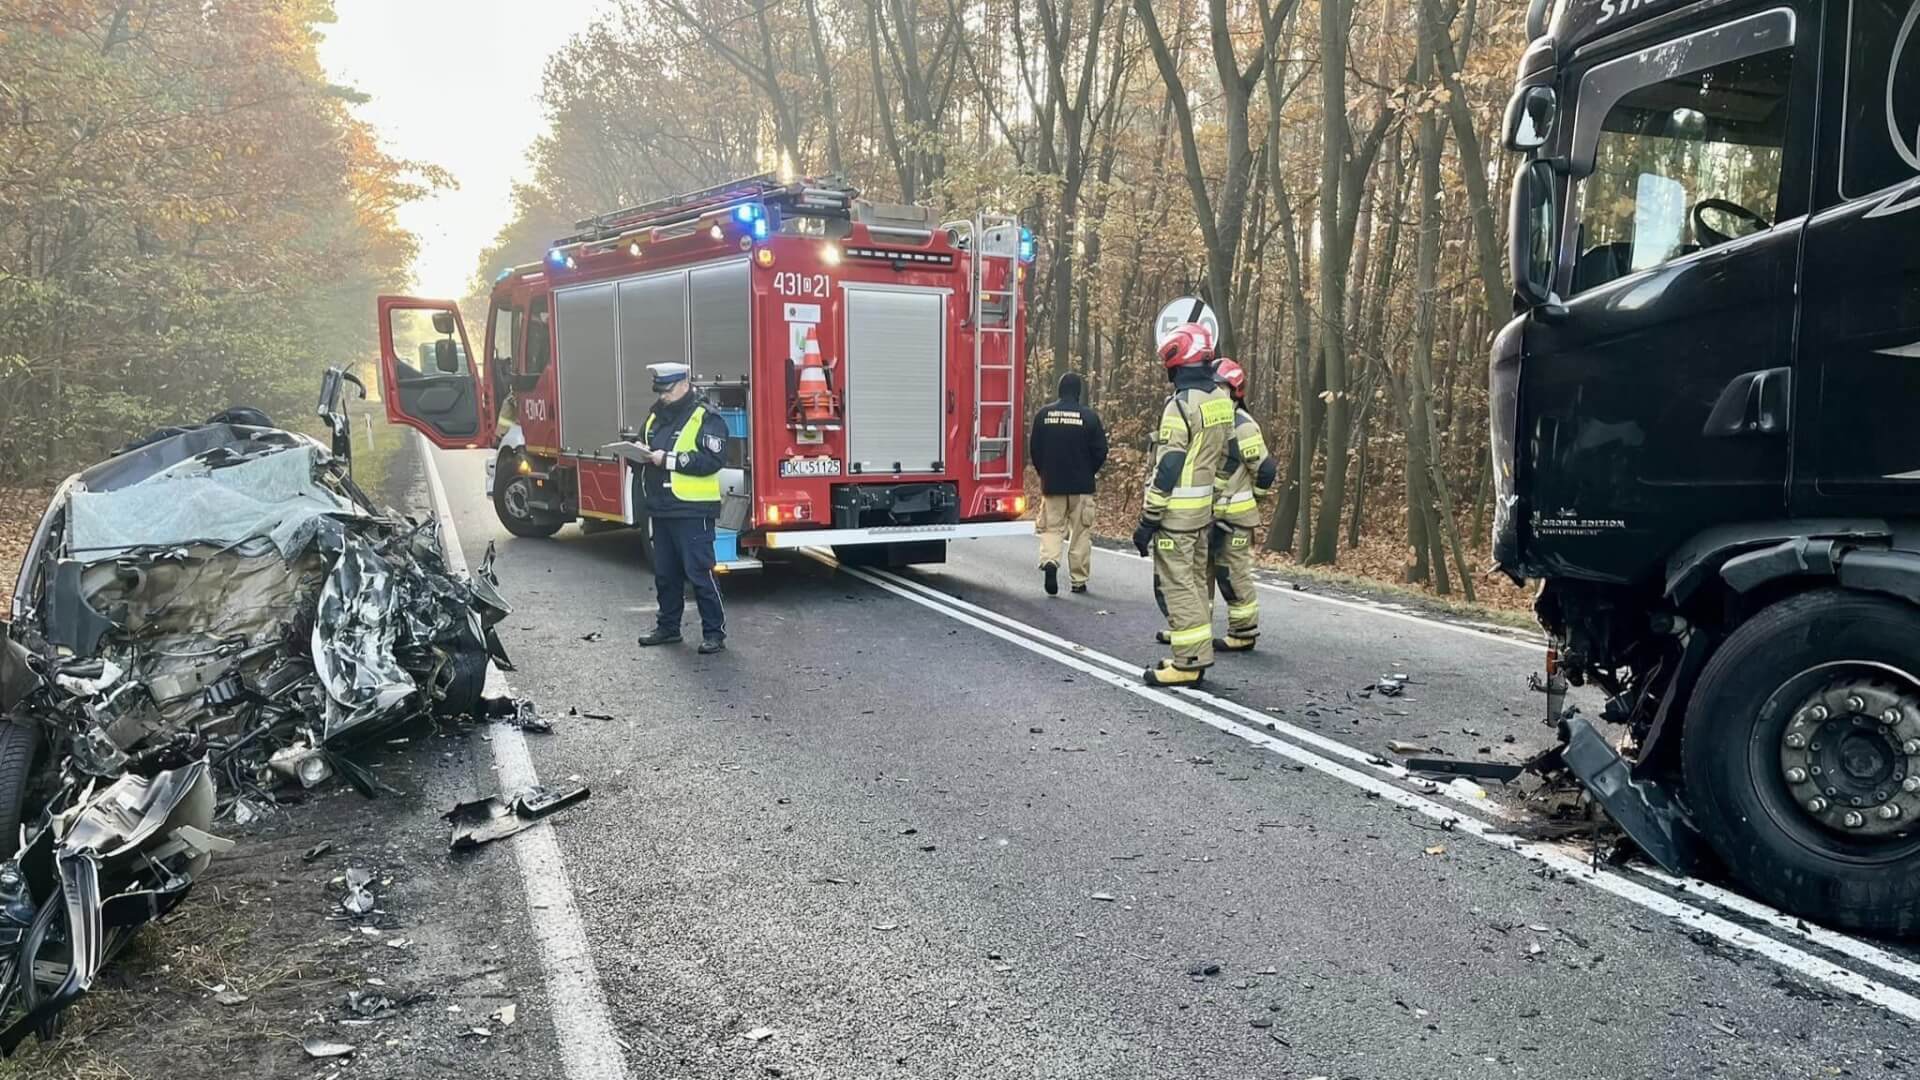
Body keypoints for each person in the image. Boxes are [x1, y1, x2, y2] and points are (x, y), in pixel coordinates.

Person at [1133, 323, 1234, 686]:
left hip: (1176, 515)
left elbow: (1170, 464)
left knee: (1177, 585)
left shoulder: (1180, 405)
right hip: (1202, 512)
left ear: (1175, 360)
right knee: (1193, 582)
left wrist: (1149, 517)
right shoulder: (1221, 400)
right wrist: (1215, 493)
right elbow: (1231, 455)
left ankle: (1189, 661)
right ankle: (1196, 650)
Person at [633, 362, 730, 653]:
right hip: (661, 508)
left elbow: (713, 460)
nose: (663, 396)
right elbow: (644, 441)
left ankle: (715, 633)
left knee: (700, 573)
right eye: (659, 390)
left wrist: (669, 460)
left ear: (684, 384)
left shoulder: (706, 417)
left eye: (668, 390)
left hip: (693, 510)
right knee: (665, 574)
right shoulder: (656, 414)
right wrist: (635, 453)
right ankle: (668, 628)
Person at [1209, 358, 1278, 653]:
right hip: (1211, 514)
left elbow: (1264, 469)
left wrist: (1254, 499)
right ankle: (1193, 628)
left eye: (1219, 387)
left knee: (1232, 573)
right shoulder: (1215, 421)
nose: (1213, 392)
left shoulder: (1242, 426)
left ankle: (1243, 632)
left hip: (1234, 518)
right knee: (1203, 572)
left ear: (1234, 390)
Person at [1028, 370, 1109, 595]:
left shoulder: (1044, 415)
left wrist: (1044, 472)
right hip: (1082, 487)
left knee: (1051, 528)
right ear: (1079, 392)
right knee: (1080, 534)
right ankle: (1078, 580)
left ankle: (1051, 562)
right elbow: (1101, 450)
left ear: (1059, 390)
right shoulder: (1089, 417)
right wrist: (1089, 471)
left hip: (1052, 485)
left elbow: (1035, 449)